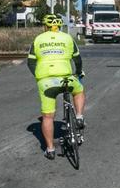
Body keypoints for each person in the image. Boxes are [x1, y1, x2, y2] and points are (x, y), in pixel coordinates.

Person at [27, 13, 85, 160]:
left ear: (45, 26)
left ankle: (50, 149)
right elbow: (77, 59)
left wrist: (39, 76)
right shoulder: (67, 38)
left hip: (46, 81)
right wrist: (78, 73)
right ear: (59, 25)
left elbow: (30, 62)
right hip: (66, 77)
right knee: (78, 91)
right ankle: (78, 116)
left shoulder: (38, 39)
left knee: (47, 116)